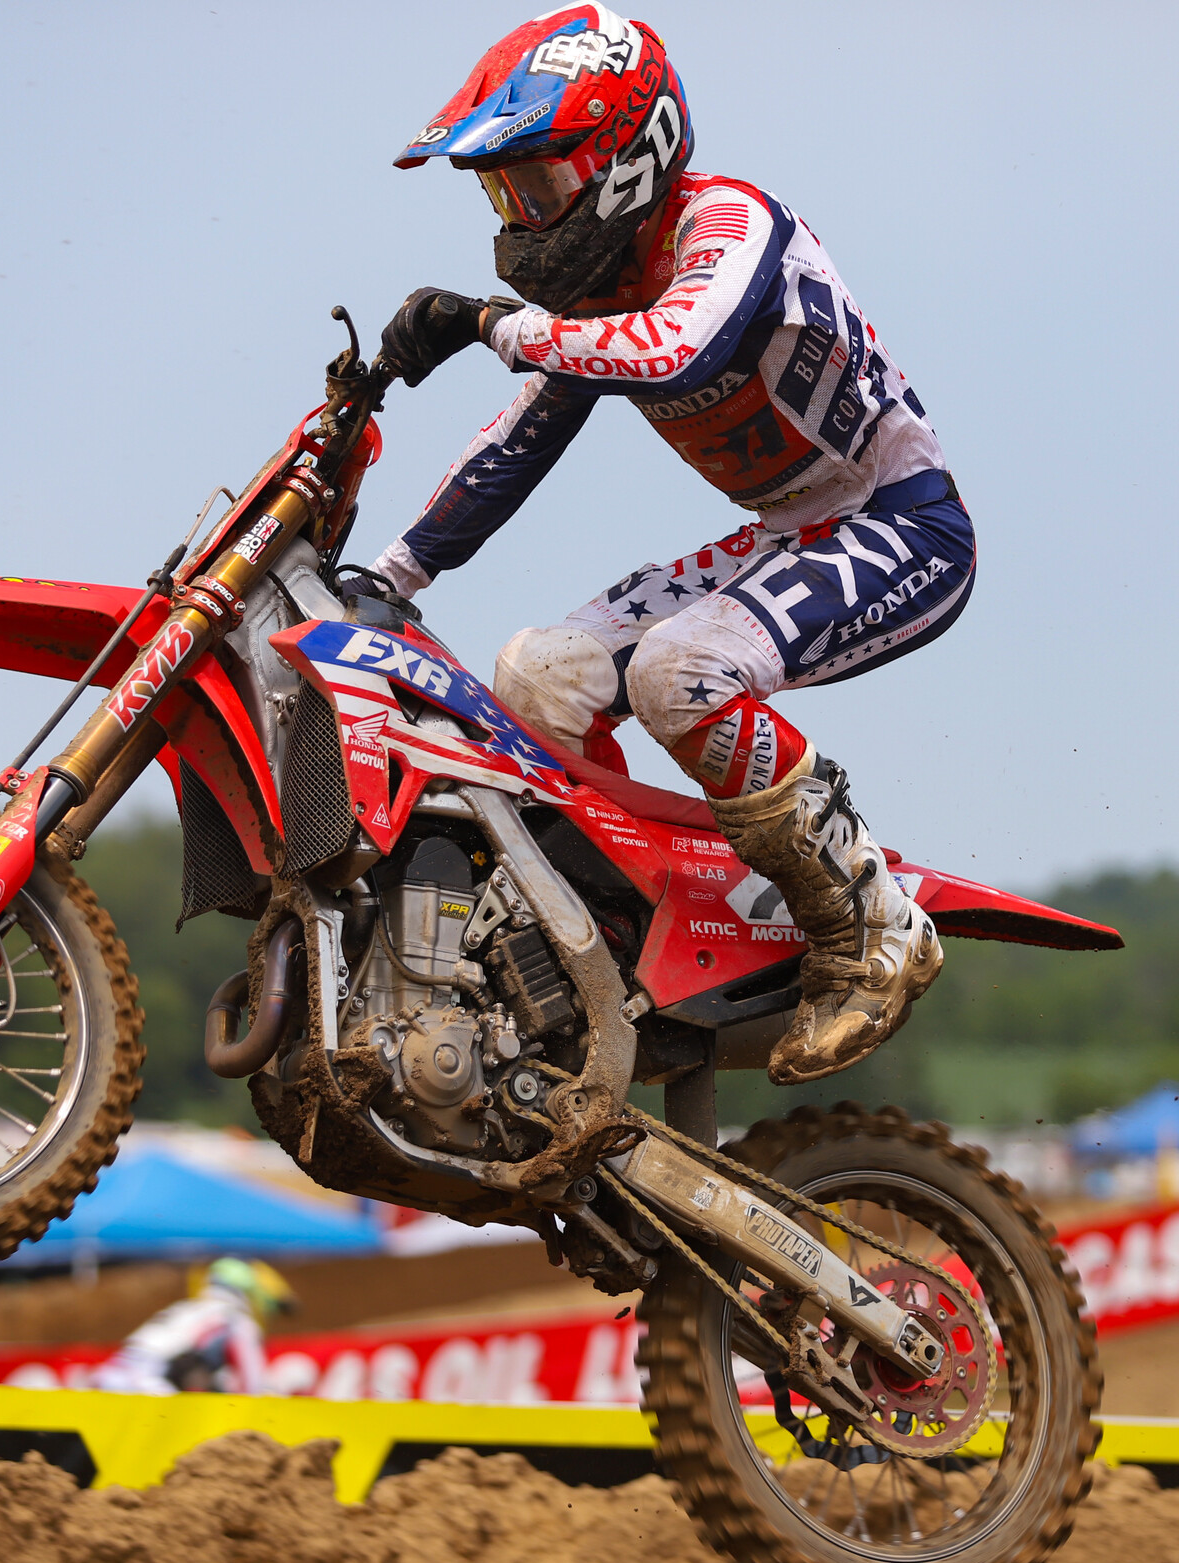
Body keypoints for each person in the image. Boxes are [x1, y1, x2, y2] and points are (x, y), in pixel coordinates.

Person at [366, 7, 967, 1086]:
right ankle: (617, 944)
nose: (524, 219)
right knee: (537, 672)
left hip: (897, 516)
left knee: (678, 673)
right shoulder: (601, 295)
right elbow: (522, 438)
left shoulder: (728, 224)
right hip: (786, 529)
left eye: (538, 187)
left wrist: (489, 324)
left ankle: (874, 924)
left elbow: (674, 343)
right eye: (505, 195)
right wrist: (390, 576)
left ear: (630, 159)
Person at [91, 1257, 297, 1395]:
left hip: (107, 1377)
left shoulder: (187, 1308)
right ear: (251, 1293)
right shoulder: (236, 1321)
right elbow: (253, 1388)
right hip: (146, 1388)